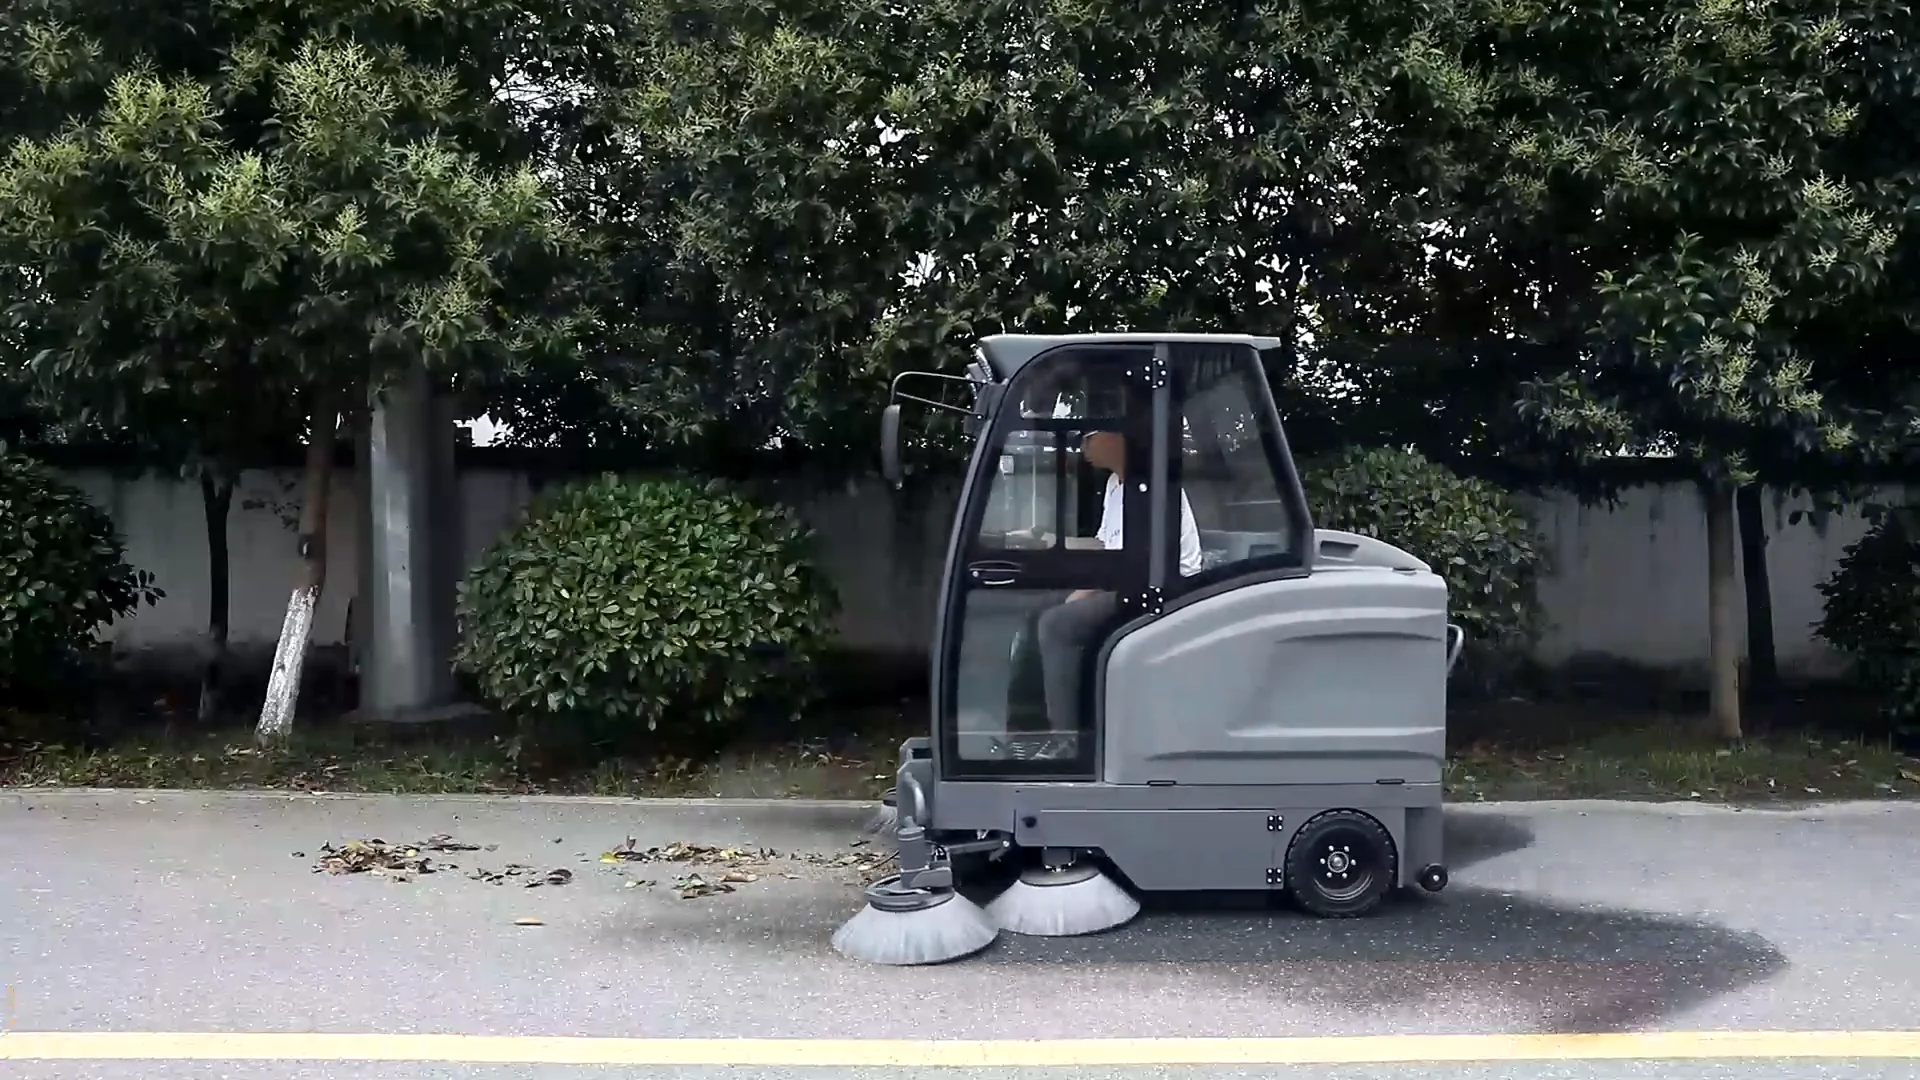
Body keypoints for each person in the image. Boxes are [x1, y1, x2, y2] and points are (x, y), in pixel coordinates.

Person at [1032, 430, 1203, 733]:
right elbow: (1103, 545)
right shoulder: (1115, 484)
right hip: (1127, 581)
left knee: (1056, 624)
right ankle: (1032, 723)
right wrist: (1048, 542)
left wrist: (1084, 592)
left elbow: (1134, 563)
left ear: (1116, 436)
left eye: (1088, 436)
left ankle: (1068, 738)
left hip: (1164, 589)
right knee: (1035, 607)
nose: (1082, 445)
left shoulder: (1151, 485)